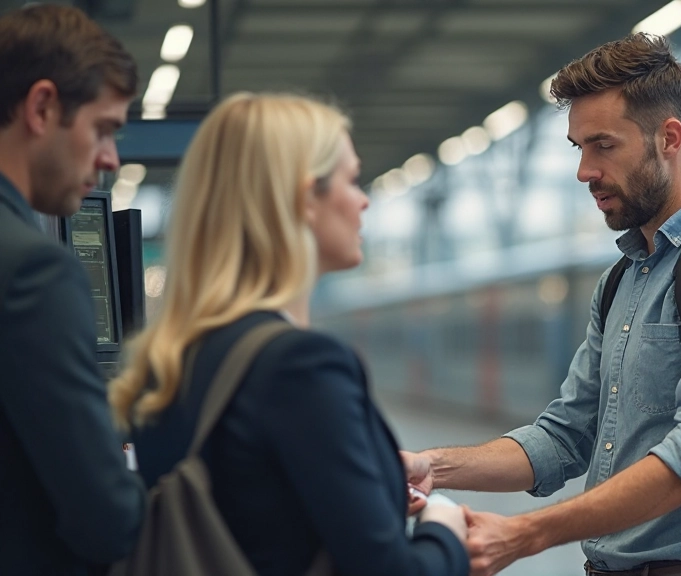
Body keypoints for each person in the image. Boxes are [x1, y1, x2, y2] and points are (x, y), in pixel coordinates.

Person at [405, 33, 681, 576]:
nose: (584, 171)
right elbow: (564, 437)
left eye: (604, 146)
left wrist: (525, 533)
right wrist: (433, 466)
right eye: (578, 148)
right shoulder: (626, 277)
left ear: (669, 137)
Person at [109, 93, 470, 576]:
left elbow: (257, 506)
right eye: (350, 179)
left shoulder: (167, 360)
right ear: (305, 200)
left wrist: (372, 474)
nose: (364, 200)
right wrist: (443, 524)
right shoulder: (300, 364)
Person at [0, 5, 146, 574]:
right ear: (42, 108)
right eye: (103, 128)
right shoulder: (33, 271)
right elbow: (107, 518)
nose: (110, 158)